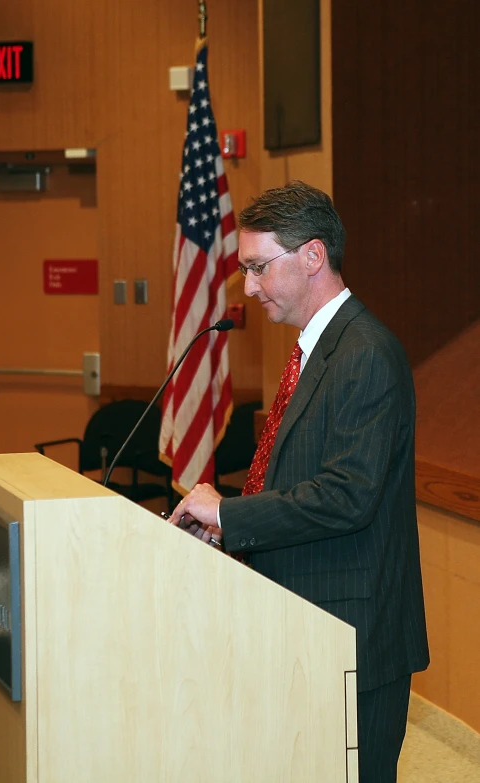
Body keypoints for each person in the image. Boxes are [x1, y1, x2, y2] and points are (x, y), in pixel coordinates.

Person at [167, 180, 429, 783]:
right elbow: (295, 481)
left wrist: (230, 514)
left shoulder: (365, 353)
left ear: (312, 257)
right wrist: (225, 530)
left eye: (258, 267)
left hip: (351, 638)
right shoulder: (313, 353)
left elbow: (347, 497)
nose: (248, 286)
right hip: (302, 627)